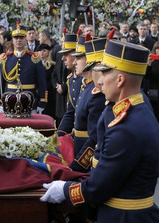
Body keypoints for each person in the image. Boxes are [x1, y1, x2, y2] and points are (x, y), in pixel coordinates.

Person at [41, 40, 159, 223]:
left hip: (123, 217)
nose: (98, 80)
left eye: (105, 73)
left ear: (120, 80)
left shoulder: (127, 127)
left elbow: (98, 188)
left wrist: (65, 189)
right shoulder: (138, 108)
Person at [67, 36, 106, 172]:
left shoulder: (97, 93)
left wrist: (78, 165)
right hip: (78, 147)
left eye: (79, 58)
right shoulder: (86, 86)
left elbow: (95, 136)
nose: (74, 62)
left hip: (87, 157)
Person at [0, 23, 47, 114]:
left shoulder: (34, 58)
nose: (18, 40)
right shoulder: (5, 59)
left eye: (21, 38)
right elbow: (0, 82)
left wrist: (42, 102)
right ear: (12, 40)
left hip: (30, 101)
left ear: (25, 39)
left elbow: (41, 81)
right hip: (10, 101)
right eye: (16, 38)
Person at [57, 33, 82, 136]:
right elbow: (71, 113)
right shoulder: (71, 79)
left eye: (67, 54)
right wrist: (59, 134)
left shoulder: (89, 81)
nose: (63, 58)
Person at [38, 43, 56, 119]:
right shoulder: (35, 64)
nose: (42, 53)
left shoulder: (52, 65)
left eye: (44, 51)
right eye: (40, 51)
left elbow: (52, 79)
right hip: (38, 92)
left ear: (48, 52)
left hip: (49, 93)